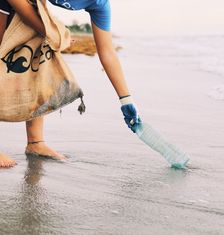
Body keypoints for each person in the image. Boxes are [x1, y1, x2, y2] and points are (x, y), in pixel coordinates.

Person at [0, 0, 141, 168]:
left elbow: (108, 52)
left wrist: (126, 100)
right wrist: (53, 32)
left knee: (43, 51)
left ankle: (35, 142)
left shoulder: (100, 4)